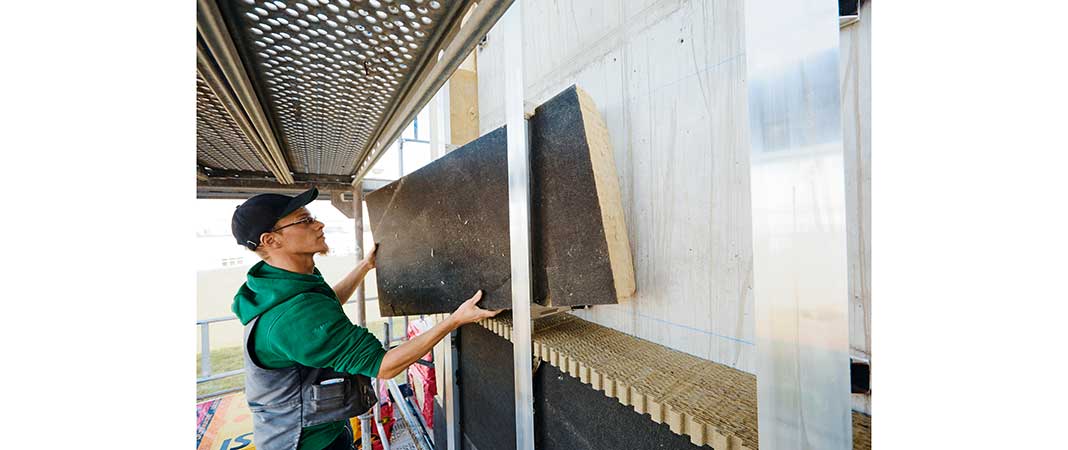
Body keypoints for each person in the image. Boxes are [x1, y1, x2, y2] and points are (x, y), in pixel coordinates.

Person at [230, 187, 501, 450]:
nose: (319, 224)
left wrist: (365, 266)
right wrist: (455, 320)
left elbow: (325, 304)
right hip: (307, 442)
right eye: (305, 220)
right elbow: (385, 366)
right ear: (271, 240)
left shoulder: (283, 281)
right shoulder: (293, 315)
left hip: (318, 427)